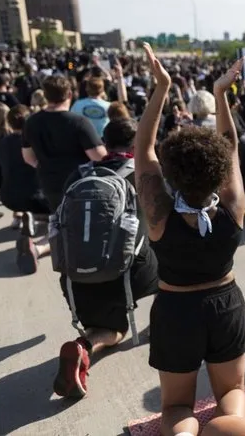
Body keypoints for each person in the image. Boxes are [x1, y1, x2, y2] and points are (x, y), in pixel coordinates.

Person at [135, 45, 245, 436]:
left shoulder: (158, 215)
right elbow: (230, 145)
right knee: (232, 391)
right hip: (225, 303)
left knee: (178, 405)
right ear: (218, 171)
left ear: (172, 172)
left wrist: (162, 87)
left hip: (174, 310)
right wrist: (220, 94)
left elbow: (143, 149)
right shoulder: (233, 207)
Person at [52, 118, 158, 398]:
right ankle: (164, 322)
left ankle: (84, 346)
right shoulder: (145, 173)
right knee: (168, 260)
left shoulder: (79, 174)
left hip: (77, 277)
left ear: (106, 143)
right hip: (130, 274)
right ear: (136, 144)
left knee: (110, 328)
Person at [21, 75, 106, 270]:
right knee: (78, 225)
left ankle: (39, 247)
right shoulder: (79, 122)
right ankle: (46, 248)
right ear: (69, 94)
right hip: (79, 182)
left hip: (48, 181)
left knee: (61, 218)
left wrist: (44, 166)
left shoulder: (31, 122)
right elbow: (99, 156)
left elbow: (27, 157)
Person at [0, 105, 51, 270]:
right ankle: (39, 243)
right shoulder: (35, 142)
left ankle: (25, 216)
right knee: (61, 215)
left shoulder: (2, 142)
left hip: (8, 197)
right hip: (37, 198)